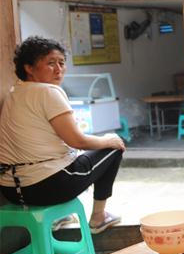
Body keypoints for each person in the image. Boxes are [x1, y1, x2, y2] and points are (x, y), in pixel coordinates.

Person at [0, 36, 125, 234]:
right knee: (113, 147)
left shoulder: (14, 93)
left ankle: (58, 217)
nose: (59, 69)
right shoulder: (48, 92)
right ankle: (99, 217)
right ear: (29, 68)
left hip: (11, 190)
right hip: (47, 187)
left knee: (73, 157)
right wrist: (107, 140)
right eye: (50, 63)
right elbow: (77, 141)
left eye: (62, 62)